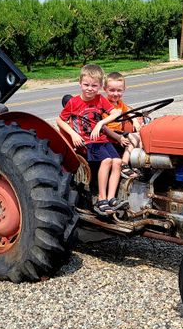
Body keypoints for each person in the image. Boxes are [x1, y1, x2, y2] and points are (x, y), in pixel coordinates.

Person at [57, 64, 127, 216]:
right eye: (86, 85)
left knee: (118, 162)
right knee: (107, 160)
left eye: (94, 85)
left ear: (100, 86)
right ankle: (101, 199)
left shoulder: (100, 99)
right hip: (87, 142)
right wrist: (74, 134)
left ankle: (111, 198)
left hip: (101, 139)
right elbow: (60, 120)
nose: (90, 89)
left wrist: (101, 123)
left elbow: (116, 112)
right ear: (80, 83)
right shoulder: (73, 102)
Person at [103, 72, 142, 178]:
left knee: (141, 135)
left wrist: (135, 121)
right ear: (104, 89)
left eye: (119, 90)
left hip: (119, 133)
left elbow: (128, 110)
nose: (116, 94)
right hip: (108, 133)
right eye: (112, 90)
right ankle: (124, 164)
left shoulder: (119, 103)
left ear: (124, 89)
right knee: (134, 137)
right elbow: (103, 126)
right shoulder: (104, 103)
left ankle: (137, 163)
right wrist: (119, 137)